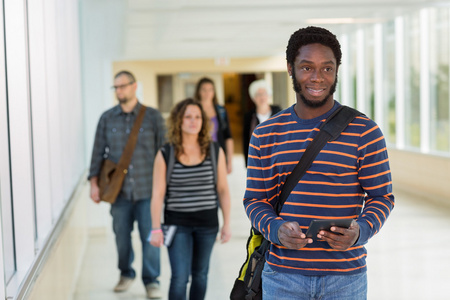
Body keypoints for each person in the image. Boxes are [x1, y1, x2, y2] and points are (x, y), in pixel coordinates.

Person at [243, 26, 395, 299]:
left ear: (337, 70)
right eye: (306, 68)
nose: (317, 78)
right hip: (283, 277)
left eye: (327, 68)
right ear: (290, 68)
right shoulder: (265, 134)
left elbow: (382, 196)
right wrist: (276, 229)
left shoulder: (365, 131)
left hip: (346, 278)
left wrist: (361, 230)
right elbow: (255, 200)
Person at [88, 70, 165, 299]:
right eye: (116, 87)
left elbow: (164, 153)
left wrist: (166, 188)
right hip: (118, 192)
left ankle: (152, 281)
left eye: (123, 86)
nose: (119, 91)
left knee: (150, 236)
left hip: (147, 191)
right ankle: (126, 273)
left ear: (134, 86)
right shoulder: (107, 118)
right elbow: (97, 153)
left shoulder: (152, 117)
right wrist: (94, 184)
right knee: (121, 237)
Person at [150, 98, 232, 300]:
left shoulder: (214, 151)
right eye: (188, 117)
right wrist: (155, 228)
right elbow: (158, 194)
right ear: (179, 121)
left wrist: (227, 224)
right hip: (177, 224)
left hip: (207, 224)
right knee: (179, 277)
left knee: (200, 275)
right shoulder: (166, 153)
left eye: (197, 117)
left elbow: (222, 189)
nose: (193, 121)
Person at [194, 77, 234, 173]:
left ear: (214, 92)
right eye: (204, 90)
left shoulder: (221, 110)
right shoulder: (193, 109)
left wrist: (229, 161)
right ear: (198, 91)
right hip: (197, 154)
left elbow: (228, 136)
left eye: (210, 89)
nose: (207, 93)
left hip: (218, 154)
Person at [243, 79, 282, 166]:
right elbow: (246, 140)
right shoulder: (249, 116)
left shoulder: (278, 112)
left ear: (269, 95)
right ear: (253, 97)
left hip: (277, 157)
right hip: (257, 158)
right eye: (258, 94)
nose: (262, 97)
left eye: (264, 93)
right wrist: (248, 163)